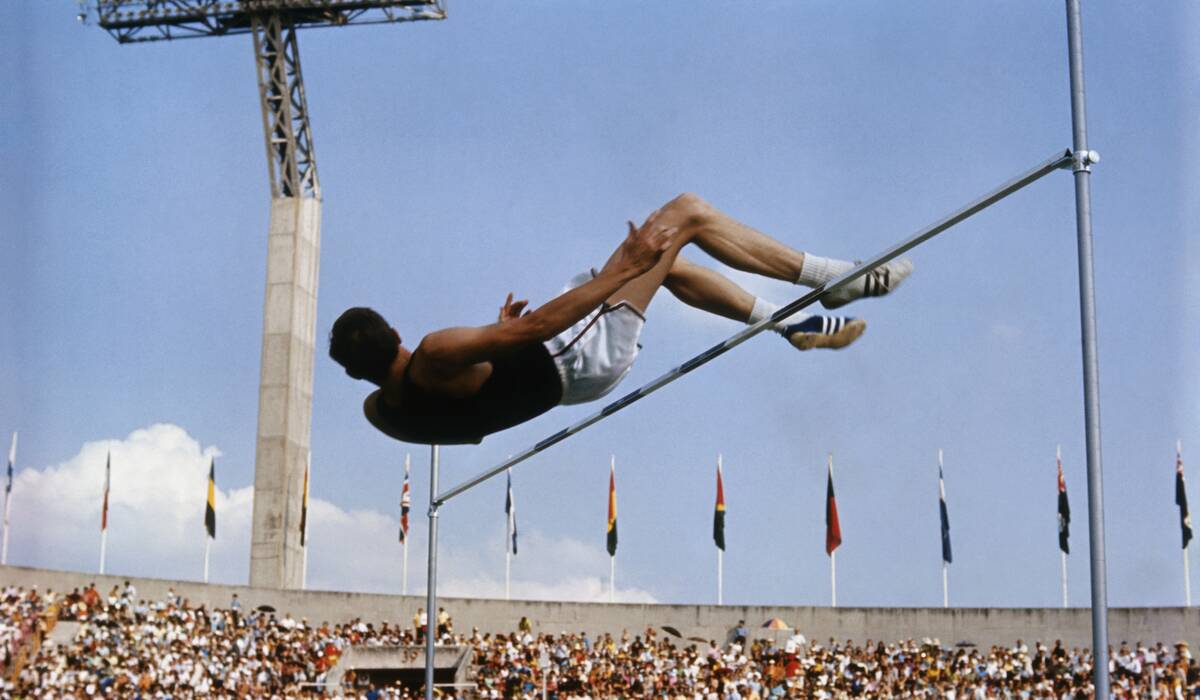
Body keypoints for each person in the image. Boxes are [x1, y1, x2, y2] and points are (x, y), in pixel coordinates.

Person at [330, 193, 912, 445]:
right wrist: (619, 272)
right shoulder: (433, 352)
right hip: (571, 354)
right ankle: (833, 279)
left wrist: (492, 346)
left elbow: (472, 421)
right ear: (397, 333)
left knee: (672, 265)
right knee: (684, 214)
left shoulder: (385, 411)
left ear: (358, 375)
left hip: (563, 379)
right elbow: (533, 331)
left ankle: (791, 326)